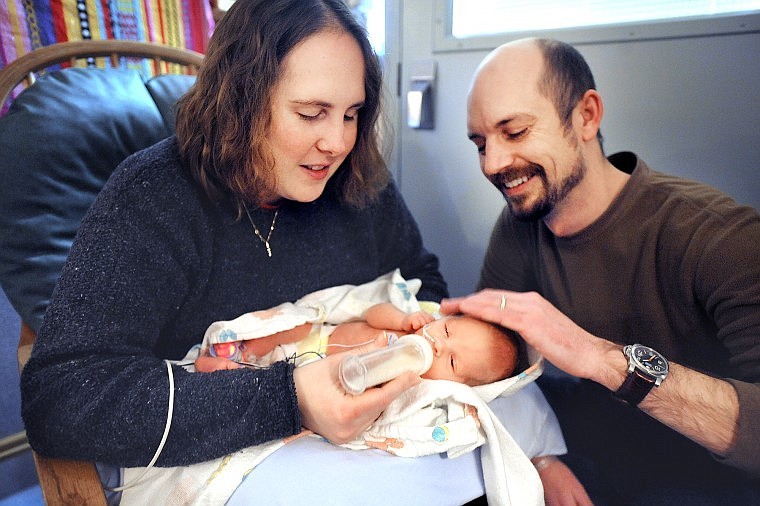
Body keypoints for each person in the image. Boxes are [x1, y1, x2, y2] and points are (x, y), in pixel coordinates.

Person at [20, 0, 446, 469]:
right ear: (240, 98)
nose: (339, 142)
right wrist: (289, 398)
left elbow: (423, 283)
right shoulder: (154, 196)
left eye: (351, 114)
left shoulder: (360, 181)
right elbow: (61, 401)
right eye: (310, 113)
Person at [443, 36, 760, 504]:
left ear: (586, 116)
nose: (493, 163)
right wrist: (540, 457)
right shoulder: (519, 226)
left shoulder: (717, 237)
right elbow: (492, 373)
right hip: (576, 464)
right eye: (480, 144)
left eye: (515, 132)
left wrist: (598, 358)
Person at [194, 301, 520, 387]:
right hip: (318, 338)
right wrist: (399, 319)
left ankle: (229, 372)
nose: (438, 347)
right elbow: (371, 312)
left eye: (451, 363)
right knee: (290, 327)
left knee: (274, 379)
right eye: (447, 332)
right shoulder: (411, 324)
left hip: (314, 371)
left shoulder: (410, 377)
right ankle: (237, 349)